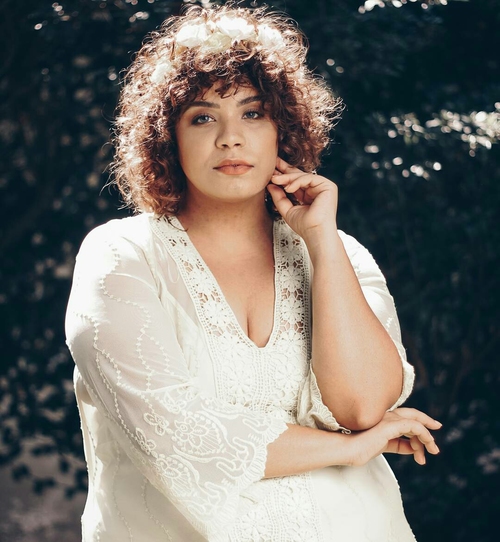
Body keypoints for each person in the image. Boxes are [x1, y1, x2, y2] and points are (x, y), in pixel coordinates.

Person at [65, 4, 441, 541]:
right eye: (202, 117)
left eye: (253, 113)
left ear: (283, 129)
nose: (230, 138)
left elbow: (362, 406)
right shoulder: (121, 256)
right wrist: (352, 449)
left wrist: (322, 244)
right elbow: (173, 436)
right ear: (167, 138)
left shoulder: (342, 254)